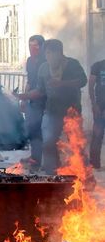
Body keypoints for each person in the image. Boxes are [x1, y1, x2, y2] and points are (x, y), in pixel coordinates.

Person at [33, 39, 87, 174]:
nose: (47, 56)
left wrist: (62, 84)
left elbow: (83, 81)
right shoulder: (44, 67)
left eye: (50, 53)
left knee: (76, 144)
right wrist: (24, 96)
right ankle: (53, 174)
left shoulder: (72, 64)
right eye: (46, 53)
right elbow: (40, 90)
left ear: (59, 52)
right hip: (51, 111)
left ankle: (83, 174)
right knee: (48, 143)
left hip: (71, 111)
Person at [14, 35, 47, 171]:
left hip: (44, 101)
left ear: (42, 47)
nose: (32, 49)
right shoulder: (29, 61)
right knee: (33, 130)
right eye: (30, 45)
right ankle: (35, 157)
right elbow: (29, 81)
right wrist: (24, 99)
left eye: (35, 46)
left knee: (44, 133)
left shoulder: (45, 62)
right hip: (32, 101)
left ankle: (46, 162)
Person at [89, 57, 105, 169]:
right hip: (100, 105)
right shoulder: (97, 65)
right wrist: (94, 104)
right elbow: (91, 86)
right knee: (97, 135)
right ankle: (94, 164)